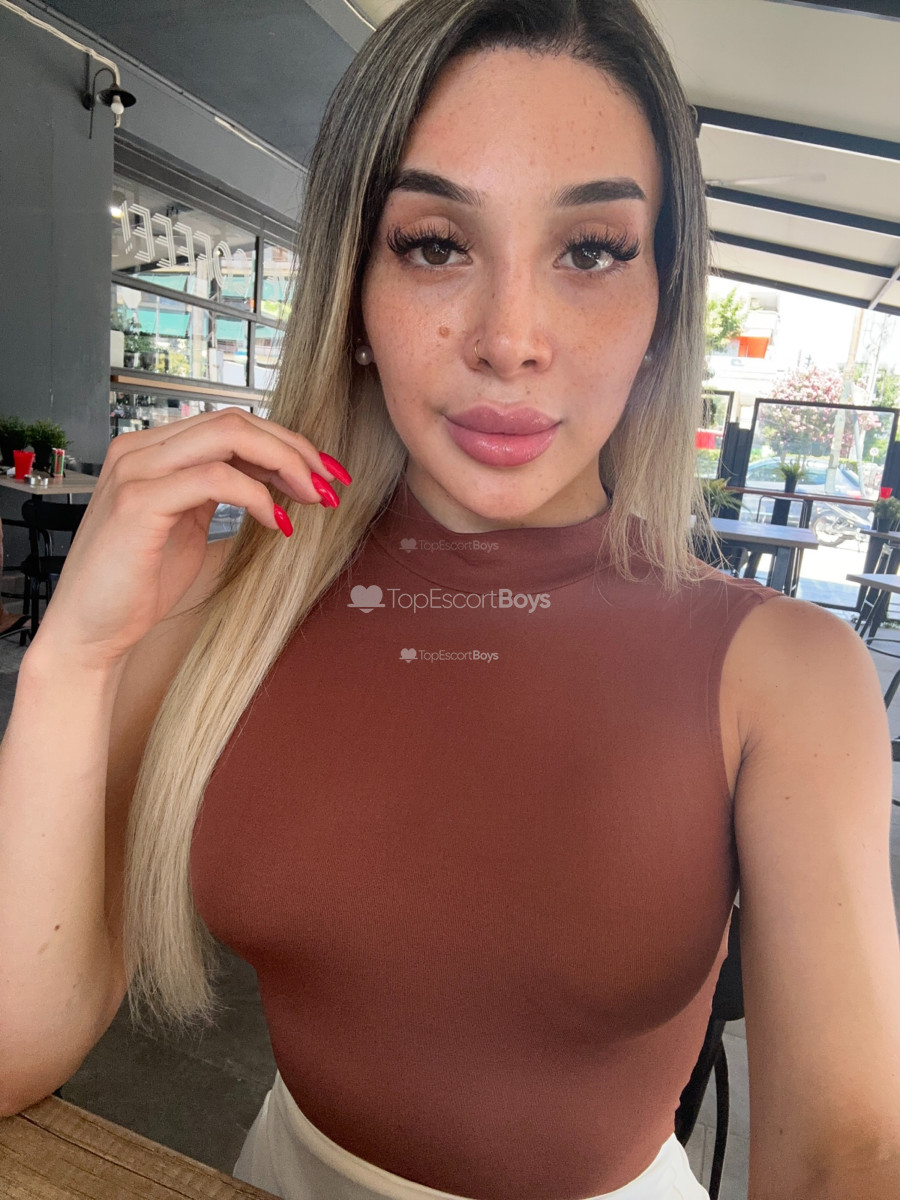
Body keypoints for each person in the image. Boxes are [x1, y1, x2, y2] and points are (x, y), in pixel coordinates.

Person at [1, 1, 899, 1198]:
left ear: (664, 300)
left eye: (591, 250)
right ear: (356, 291)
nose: (509, 339)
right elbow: (16, 1051)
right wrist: (71, 658)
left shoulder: (785, 671)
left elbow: (848, 1152)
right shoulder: (232, 601)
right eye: (435, 244)